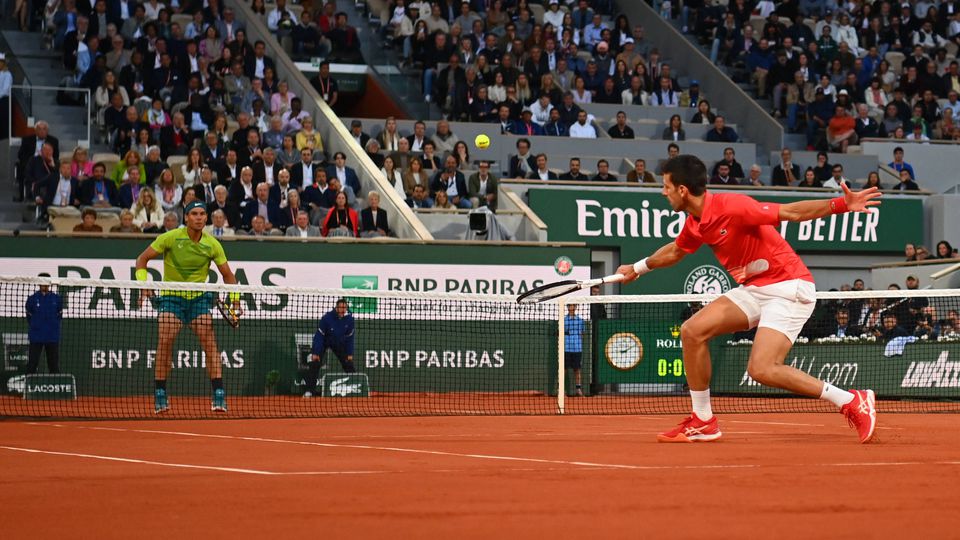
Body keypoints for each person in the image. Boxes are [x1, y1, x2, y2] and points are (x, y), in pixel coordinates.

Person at [616, 154, 881, 444]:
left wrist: (842, 204)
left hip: (788, 286)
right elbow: (676, 252)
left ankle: (851, 400)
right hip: (754, 289)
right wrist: (638, 268)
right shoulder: (695, 222)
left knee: (762, 369)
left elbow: (791, 212)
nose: (663, 192)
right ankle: (703, 420)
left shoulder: (733, 206)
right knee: (692, 331)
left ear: (682, 190)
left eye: (666, 186)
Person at [135, 200, 240, 414]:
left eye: (202, 214)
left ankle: (219, 394)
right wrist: (143, 285)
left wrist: (236, 299)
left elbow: (228, 275)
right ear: (186, 218)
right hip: (171, 299)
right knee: (165, 341)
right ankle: (160, 394)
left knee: (209, 342)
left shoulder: (212, 244)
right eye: (194, 214)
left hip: (198, 300)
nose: (199, 217)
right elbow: (142, 260)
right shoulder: (170, 238)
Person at [303, 299, 356, 397]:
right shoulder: (327, 318)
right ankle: (309, 391)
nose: (342, 310)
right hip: (324, 341)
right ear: (336, 308)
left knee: (348, 363)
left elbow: (350, 338)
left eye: (344, 308)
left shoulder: (350, 320)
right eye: (340, 307)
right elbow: (319, 336)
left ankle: (357, 387)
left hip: (339, 343)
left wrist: (349, 354)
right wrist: (316, 352)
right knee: (314, 363)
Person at [25, 274, 62, 375]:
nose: (44, 285)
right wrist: (36, 326)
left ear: (49, 283)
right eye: (42, 282)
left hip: (52, 337)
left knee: (53, 365)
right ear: (39, 283)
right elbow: (29, 316)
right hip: (36, 336)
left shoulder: (56, 299)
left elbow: (59, 316)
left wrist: (52, 327)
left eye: (46, 282)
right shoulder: (32, 299)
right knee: (32, 363)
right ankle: (29, 388)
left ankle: (55, 388)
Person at [564, 303, 586, 397]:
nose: (571, 307)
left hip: (577, 348)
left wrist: (576, 340)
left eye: (573, 306)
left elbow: (582, 333)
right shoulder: (563, 320)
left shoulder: (580, 321)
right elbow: (561, 333)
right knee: (563, 369)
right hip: (566, 348)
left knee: (577, 370)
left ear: (575, 307)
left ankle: (578, 389)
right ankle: (562, 390)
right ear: (567, 307)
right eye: (569, 306)